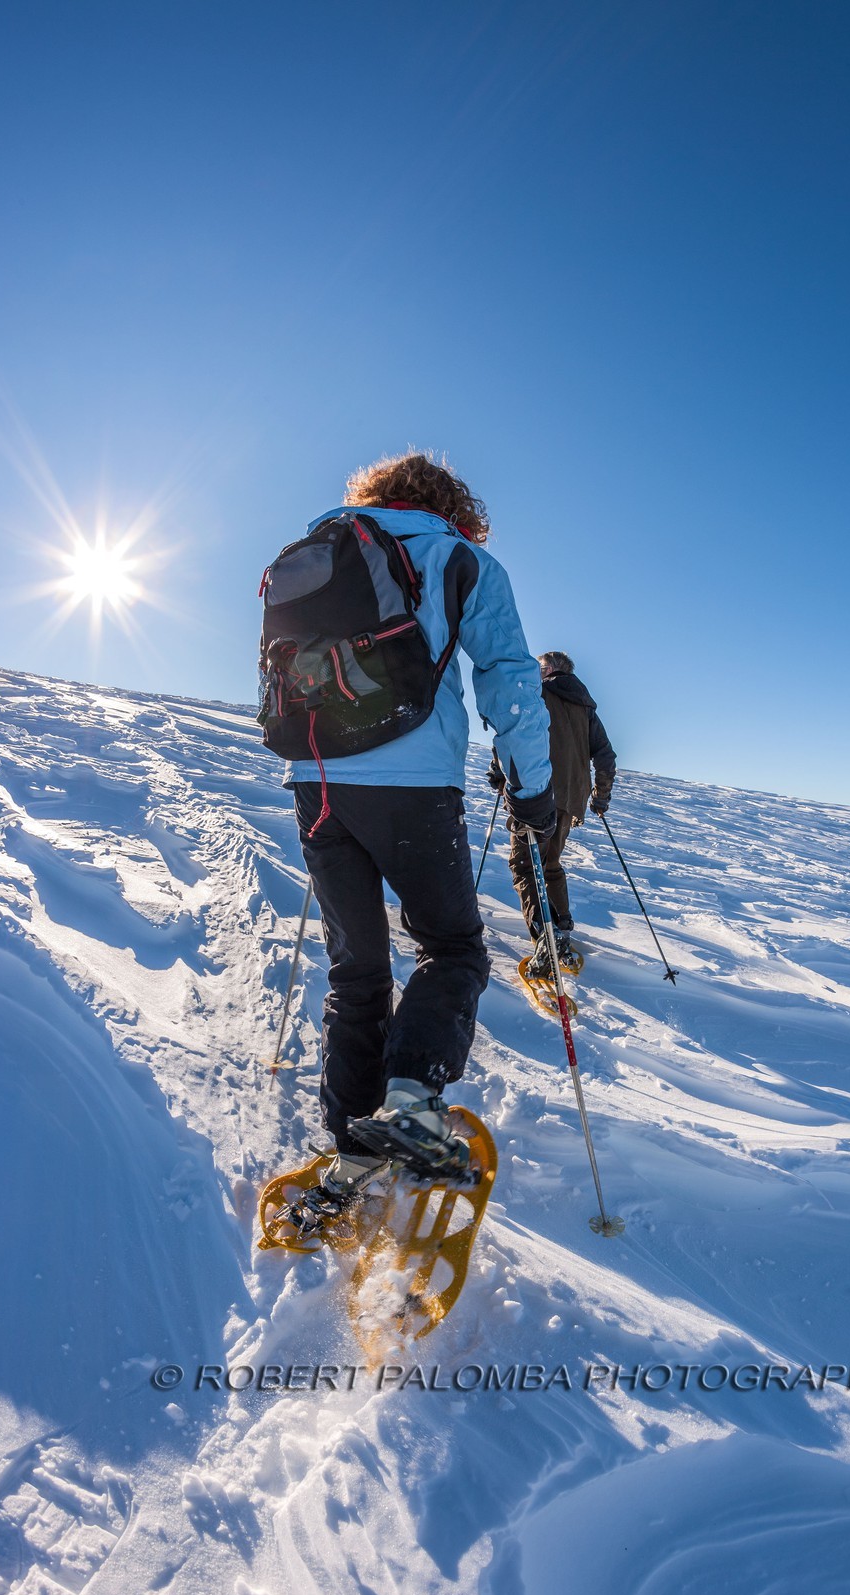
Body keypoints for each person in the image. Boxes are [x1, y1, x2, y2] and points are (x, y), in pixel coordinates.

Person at [274, 452, 553, 1208]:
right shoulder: (459, 557)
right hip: (412, 783)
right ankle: (409, 1106)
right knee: (453, 947)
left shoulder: (315, 551)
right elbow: (508, 678)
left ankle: (350, 1149)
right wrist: (533, 788)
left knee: (355, 969)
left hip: (318, 781)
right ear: (453, 505)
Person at [490, 650, 615, 979]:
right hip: (570, 798)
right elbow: (605, 754)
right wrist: (600, 796)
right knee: (549, 864)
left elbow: (513, 731)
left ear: (555, 668)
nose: (538, 671)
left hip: (536, 792)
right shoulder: (585, 706)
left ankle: (545, 942)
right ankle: (560, 929)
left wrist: (497, 772)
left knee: (525, 864)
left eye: (542, 667)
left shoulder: (538, 692)